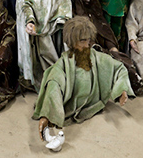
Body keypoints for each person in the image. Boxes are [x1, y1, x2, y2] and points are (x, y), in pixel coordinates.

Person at [33, 17, 134, 148]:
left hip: (93, 104)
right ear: (72, 41)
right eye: (82, 41)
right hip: (72, 107)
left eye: (88, 40)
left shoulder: (96, 57)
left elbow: (118, 68)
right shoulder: (63, 63)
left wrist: (121, 89)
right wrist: (47, 115)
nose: (87, 45)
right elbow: (54, 84)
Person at [72, 0, 143, 94]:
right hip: (90, 51)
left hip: (103, 49)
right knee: (112, 62)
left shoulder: (95, 11)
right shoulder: (76, 15)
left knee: (121, 58)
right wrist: (99, 50)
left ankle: (135, 83)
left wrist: (112, 46)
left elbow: (105, 31)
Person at [16, 0, 73, 90]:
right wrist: (29, 20)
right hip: (35, 27)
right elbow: (24, 3)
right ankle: (41, 81)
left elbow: (64, 0)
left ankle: (55, 80)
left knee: (55, 53)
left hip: (54, 25)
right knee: (39, 54)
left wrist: (62, 17)